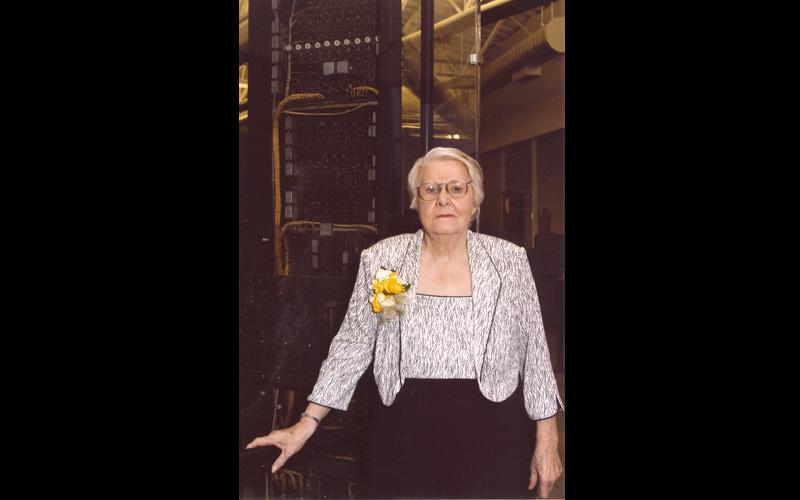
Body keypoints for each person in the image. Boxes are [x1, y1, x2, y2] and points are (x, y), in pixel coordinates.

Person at [247, 147, 564, 498]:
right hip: (406, 429)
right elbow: (356, 344)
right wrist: (307, 422)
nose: (443, 199)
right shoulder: (390, 263)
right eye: (430, 189)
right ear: (417, 202)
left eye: (456, 188)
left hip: (493, 429)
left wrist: (547, 440)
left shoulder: (507, 262)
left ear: (475, 201)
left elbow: (534, 351)